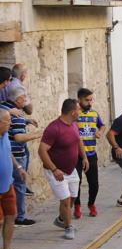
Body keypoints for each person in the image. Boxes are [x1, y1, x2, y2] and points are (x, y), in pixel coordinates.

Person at [38, 99, 88, 240]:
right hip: (55, 172)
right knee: (65, 200)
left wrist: (84, 157)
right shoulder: (53, 128)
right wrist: (54, 169)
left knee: (73, 197)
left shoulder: (73, 124)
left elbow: (78, 141)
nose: (80, 112)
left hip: (71, 170)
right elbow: (42, 151)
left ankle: (61, 219)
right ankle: (68, 227)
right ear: (73, 112)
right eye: (78, 110)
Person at [0, 86, 41, 226]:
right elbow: (18, 137)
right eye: (24, 98)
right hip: (16, 154)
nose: (26, 100)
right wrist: (36, 135)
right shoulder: (16, 114)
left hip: (8, 154)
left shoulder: (3, 108)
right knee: (19, 186)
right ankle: (20, 217)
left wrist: (27, 121)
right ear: (17, 99)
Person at [74, 88, 106, 219]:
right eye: (87, 100)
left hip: (91, 154)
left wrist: (100, 132)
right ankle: (77, 206)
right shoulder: (75, 114)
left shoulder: (94, 113)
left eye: (91, 99)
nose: (90, 102)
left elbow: (102, 125)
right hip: (76, 156)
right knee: (77, 182)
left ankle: (91, 204)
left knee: (94, 184)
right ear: (79, 100)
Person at [0, 109, 26, 249]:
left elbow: (9, 153)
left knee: (11, 215)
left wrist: (19, 167)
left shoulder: (4, 136)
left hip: (7, 184)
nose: (10, 124)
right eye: (7, 121)